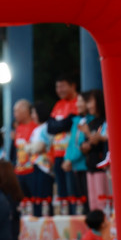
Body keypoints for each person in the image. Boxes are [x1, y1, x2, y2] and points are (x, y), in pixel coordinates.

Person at [47, 74, 79, 202]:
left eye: (63, 86)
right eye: (57, 87)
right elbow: (50, 127)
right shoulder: (58, 104)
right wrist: (63, 123)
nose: (59, 90)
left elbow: (69, 123)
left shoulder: (78, 102)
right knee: (62, 194)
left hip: (72, 155)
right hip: (58, 155)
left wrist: (59, 124)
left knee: (74, 193)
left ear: (73, 86)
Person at [79, 89, 110, 212]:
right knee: (93, 202)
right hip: (90, 165)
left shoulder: (105, 120)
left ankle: (104, 222)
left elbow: (97, 139)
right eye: (87, 102)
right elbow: (90, 142)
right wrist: (84, 146)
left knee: (102, 201)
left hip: (101, 166)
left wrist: (88, 133)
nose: (88, 106)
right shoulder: (91, 122)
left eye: (90, 102)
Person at [63, 92, 92, 214]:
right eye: (77, 101)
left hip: (85, 165)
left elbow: (82, 143)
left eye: (80, 101)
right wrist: (66, 158)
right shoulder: (76, 121)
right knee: (80, 200)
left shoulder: (91, 120)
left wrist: (70, 159)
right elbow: (71, 142)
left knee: (89, 199)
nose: (77, 104)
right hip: (74, 166)